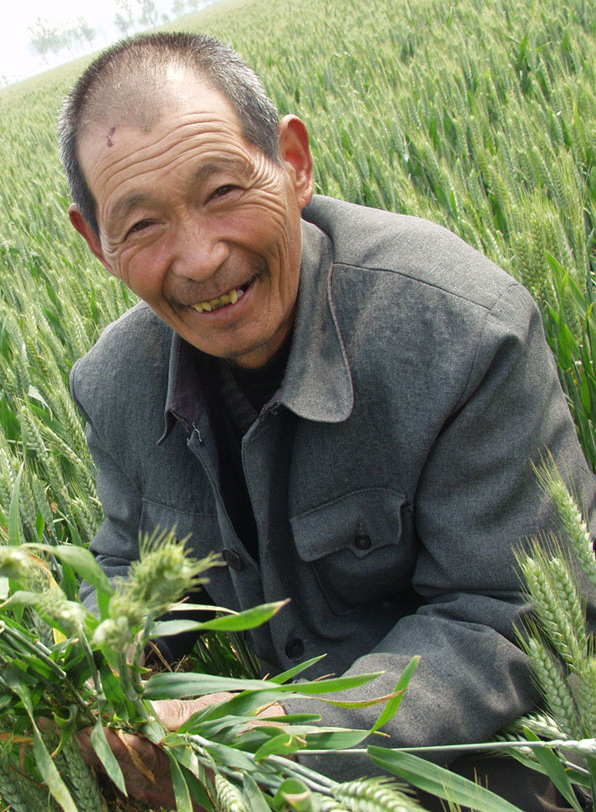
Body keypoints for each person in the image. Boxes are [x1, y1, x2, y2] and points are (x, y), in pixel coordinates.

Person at [58, 31, 596, 810]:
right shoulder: (112, 386)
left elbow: (507, 619)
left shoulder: (462, 335)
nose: (201, 258)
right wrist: (78, 666)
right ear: (95, 241)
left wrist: (267, 731)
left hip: (506, 760)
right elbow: (125, 564)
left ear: (293, 162)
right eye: (142, 225)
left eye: (222, 192)